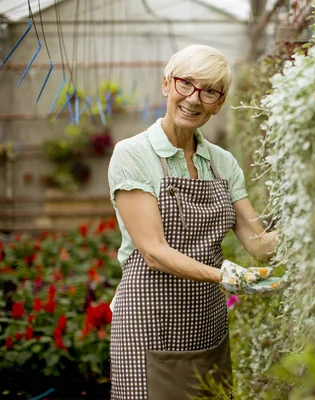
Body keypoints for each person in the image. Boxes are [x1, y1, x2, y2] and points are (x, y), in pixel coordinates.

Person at [107, 44, 281, 400]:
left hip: (207, 322)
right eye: (186, 84)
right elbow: (153, 252)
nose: (194, 99)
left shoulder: (222, 162)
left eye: (210, 91)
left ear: (219, 103)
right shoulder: (133, 154)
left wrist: (311, 228)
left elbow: (258, 243)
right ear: (166, 85)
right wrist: (223, 276)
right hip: (149, 323)